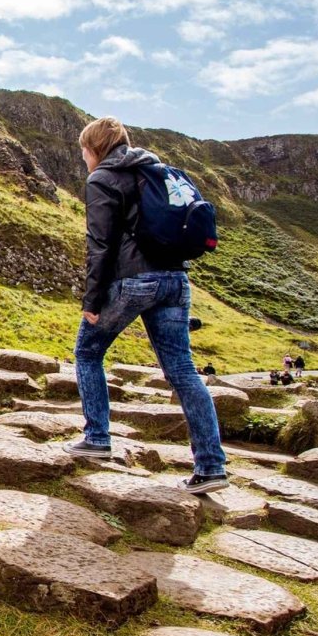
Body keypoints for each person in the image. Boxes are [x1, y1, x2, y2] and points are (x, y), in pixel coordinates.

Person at [62, 116, 227, 493]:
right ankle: (211, 466)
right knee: (183, 371)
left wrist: (92, 299)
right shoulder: (159, 171)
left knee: (87, 352)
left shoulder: (103, 178)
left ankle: (97, 437)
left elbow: (100, 245)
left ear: (95, 148)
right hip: (175, 280)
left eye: (84, 150)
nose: (83, 157)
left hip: (133, 280)